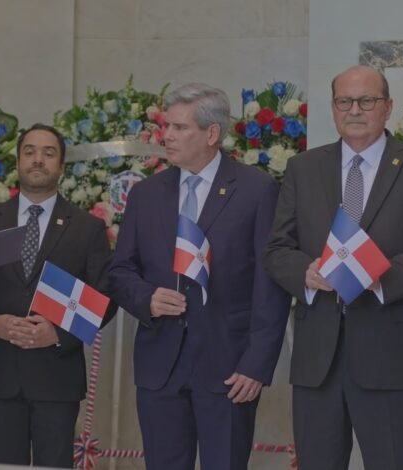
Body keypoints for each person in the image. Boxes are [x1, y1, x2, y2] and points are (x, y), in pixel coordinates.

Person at [109, 83, 291, 470]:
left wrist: (257, 364)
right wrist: (146, 298)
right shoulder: (145, 194)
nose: (167, 136)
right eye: (166, 126)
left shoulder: (257, 190)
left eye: (179, 127)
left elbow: (269, 283)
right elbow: (121, 270)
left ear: (212, 134)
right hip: (160, 367)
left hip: (229, 368)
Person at [264, 65, 403, 470]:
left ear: (387, 107)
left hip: (391, 358)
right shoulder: (304, 167)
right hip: (317, 361)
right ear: (333, 108)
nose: (355, 110)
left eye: (367, 100)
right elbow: (277, 249)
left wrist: (379, 276)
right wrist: (305, 274)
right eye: (345, 101)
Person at [0, 124, 115, 468]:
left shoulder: (87, 228)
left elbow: (106, 296)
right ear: (18, 162)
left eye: (48, 153)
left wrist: (58, 333)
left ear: (61, 165)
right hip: (1, 377)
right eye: (29, 152)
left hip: (57, 377)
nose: (38, 159)